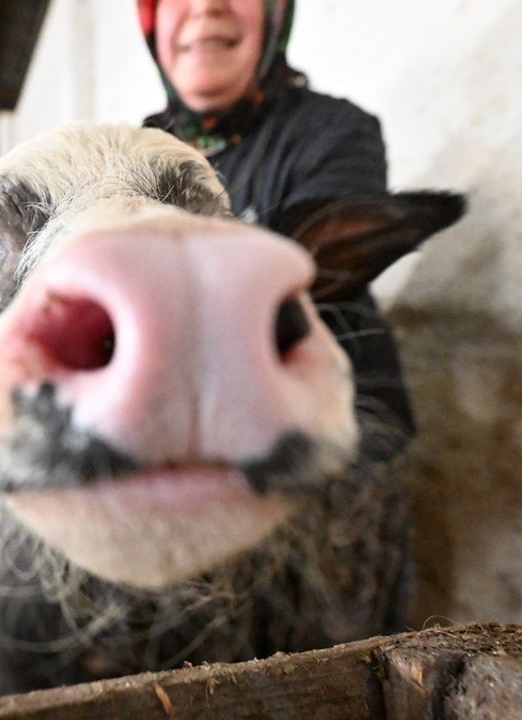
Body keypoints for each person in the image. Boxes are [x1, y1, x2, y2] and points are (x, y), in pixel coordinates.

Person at [140, 0, 415, 460]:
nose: (206, 7)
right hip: (173, 439)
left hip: (331, 437)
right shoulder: (135, 150)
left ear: (275, 13)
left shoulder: (333, 132)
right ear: (151, 20)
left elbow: (314, 281)